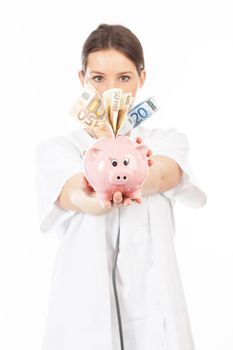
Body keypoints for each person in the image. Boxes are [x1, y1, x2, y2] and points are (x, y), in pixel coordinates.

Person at [36, 24, 207, 350]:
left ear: (142, 78)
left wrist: (112, 145)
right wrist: (92, 200)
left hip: (156, 318)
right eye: (98, 78)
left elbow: (163, 175)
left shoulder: (166, 140)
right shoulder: (56, 150)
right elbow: (74, 193)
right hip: (83, 318)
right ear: (81, 80)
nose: (109, 90)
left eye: (124, 78)